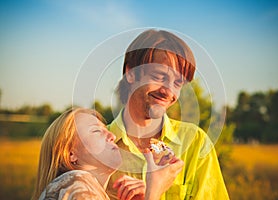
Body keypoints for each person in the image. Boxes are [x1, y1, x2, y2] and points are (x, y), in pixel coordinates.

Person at [106, 29, 230, 199]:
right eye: (159, 77)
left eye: (178, 83)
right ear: (131, 73)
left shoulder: (196, 143)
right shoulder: (95, 146)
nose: (168, 91)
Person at [32, 107, 184, 200]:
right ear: (70, 153)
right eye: (96, 131)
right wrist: (154, 190)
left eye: (106, 129)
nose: (111, 136)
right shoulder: (74, 183)